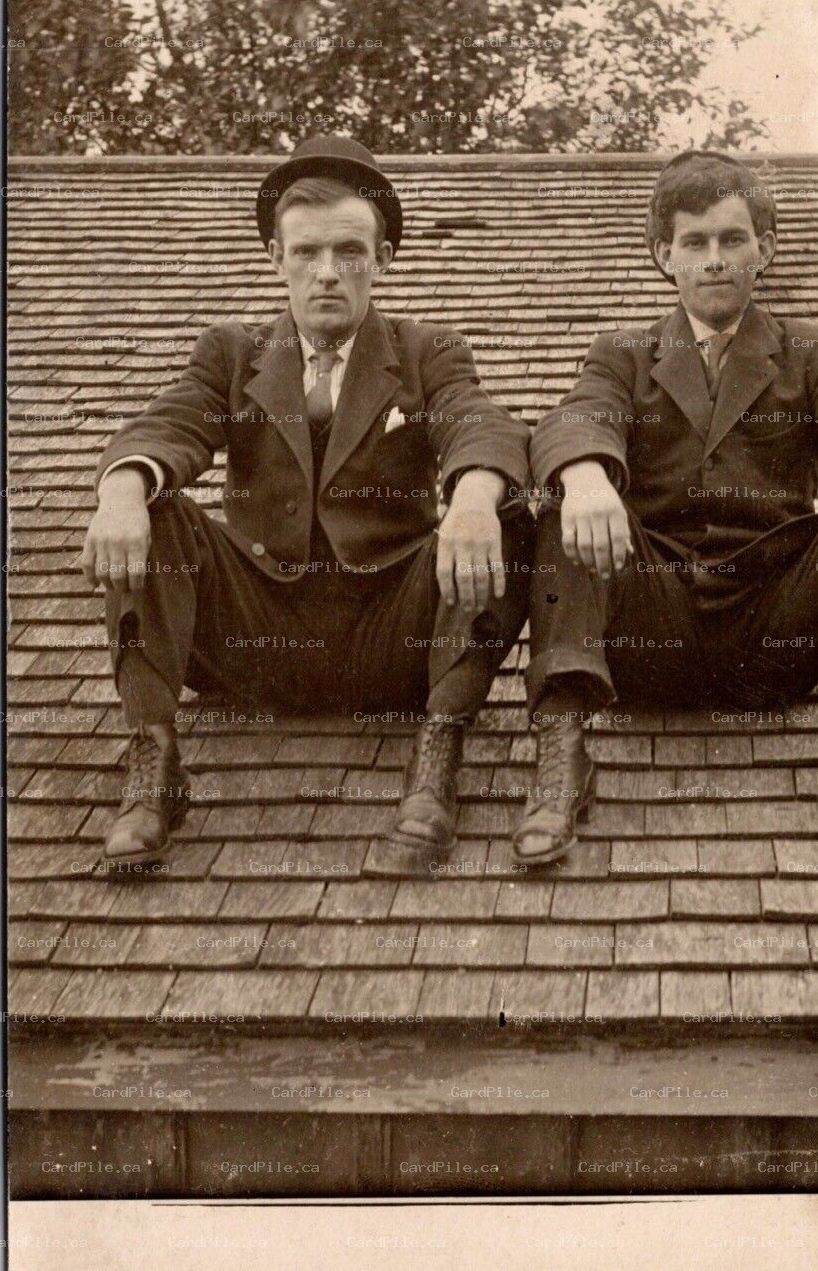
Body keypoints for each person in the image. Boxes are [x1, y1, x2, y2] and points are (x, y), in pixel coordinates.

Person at [83, 134, 532, 876]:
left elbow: (477, 420)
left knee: (514, 510)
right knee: (154, 501)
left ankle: (439, 749)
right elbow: (170, 423)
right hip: (257, 639)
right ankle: (153, 763)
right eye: (307, 254)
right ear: (275, 257)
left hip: (393, 637)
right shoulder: (232, 352)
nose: (328, 274)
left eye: (350, 252)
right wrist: (123, 485)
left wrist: (475, 496)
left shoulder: (428, 351)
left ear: (382, 259)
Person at [520, 149, 818, 867]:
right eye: (694, 242)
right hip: (652, 628)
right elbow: (575, 415)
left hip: (772, 629)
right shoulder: (622, 353)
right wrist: (586, 475)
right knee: (566, 499)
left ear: (764, 249)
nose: (714, 260)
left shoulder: (812, 352)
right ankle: (561, 755)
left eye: (731, 239)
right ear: (665, 256)